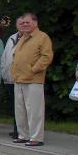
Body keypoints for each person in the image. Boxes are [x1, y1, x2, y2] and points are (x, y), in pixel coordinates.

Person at [11, 13, 53, 147]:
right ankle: (23, 135)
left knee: (34, 110)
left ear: (35, 22)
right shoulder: (23, 37)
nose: (24, 25)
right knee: (20, 110)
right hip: (19, 79)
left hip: (33, 80)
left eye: (27, 22)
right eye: (22, 23)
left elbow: (46, 57)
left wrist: (33, 69)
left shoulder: (42, 37)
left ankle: (36, 137)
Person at [2, 17, 24, 138]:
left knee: (22, 106)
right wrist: (4, 73)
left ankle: (21, 131)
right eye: (19, 24)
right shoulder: (12, 38)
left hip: (21, 77)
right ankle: (16, 129)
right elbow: (5, 56)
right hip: (9, 77)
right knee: (14, 106)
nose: (21, 25)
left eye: (23, 23)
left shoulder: (28, 38)